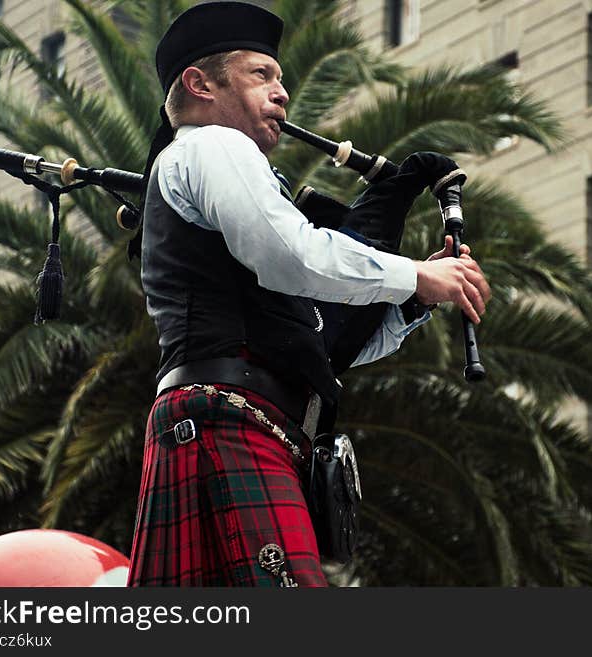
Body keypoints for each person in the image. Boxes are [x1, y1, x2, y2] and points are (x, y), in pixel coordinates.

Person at [127, 1, 491, 587]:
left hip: (231, 424)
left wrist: (417, 298)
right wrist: (417, 276)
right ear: (199, 83)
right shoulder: (210, 146)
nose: (283, 93)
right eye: (261, 75)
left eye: (280, 77)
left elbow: (312, 338)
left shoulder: (215, 164)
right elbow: (290, 253)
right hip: (229, 423)